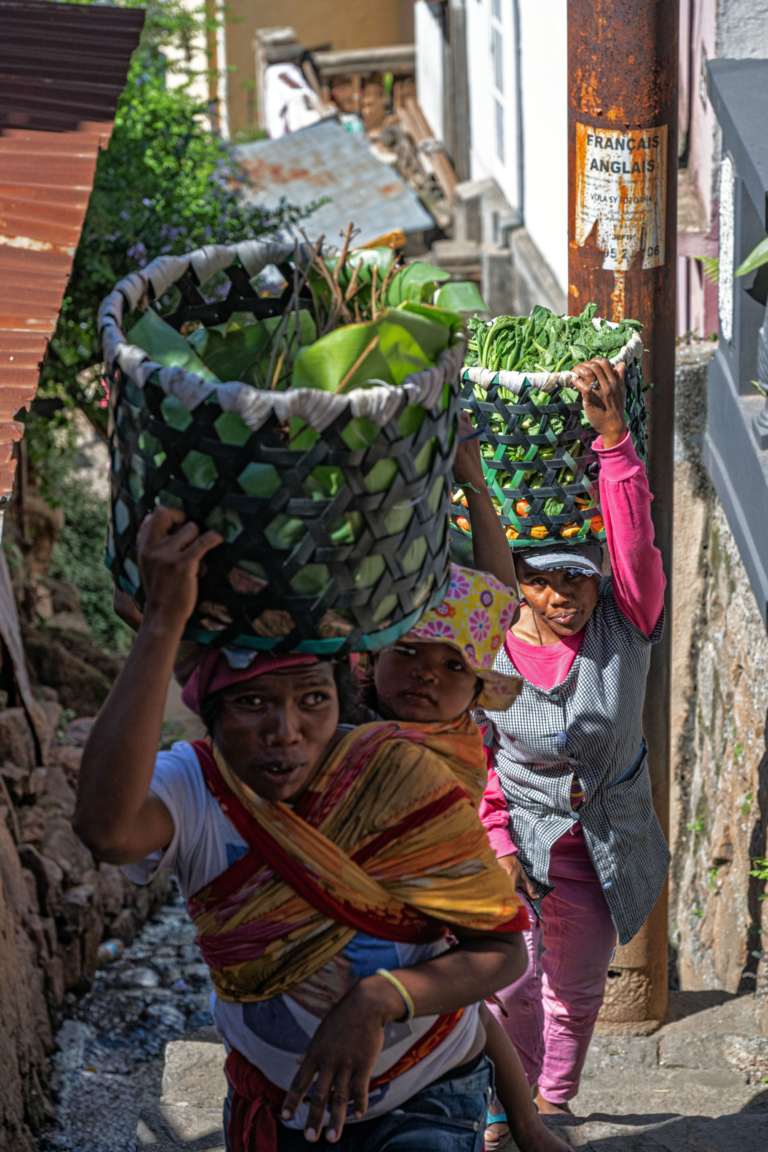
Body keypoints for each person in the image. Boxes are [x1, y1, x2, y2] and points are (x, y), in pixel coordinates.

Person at [74, 507, 531, 1151]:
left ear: (342, 697)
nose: (286, 731)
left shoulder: (402, 772)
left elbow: (502, 949)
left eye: (313, 700)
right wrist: (159, 625)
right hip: (278, 1108)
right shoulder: (199, 785)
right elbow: (105, 831)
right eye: (251, 703)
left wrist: (378, 999)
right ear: (211, 716)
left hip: (427, 1093)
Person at [453, 356, 670, 1129]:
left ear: (596, 578)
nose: (561, 597)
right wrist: (494, 842)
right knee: (509, 983)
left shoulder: (625, 619)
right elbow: (475, 753)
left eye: (576, 580)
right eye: (541, 580)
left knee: (574, 990)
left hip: (605, 845)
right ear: (516, 576)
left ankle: (549, 1106)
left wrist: (614, 441)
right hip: (515, 834)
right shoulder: (490, 641)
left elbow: (636, 546)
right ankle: (498, 1106)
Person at [361, 565, 572, 1152]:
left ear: (476, 695)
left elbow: (496, 589)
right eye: (408, 652)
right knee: (471, 1006)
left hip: (430, 981)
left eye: (455, 665)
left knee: (474, 1003)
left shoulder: (448, 752)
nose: (428, 672)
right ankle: (523, 1120)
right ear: (368, 662)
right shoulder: (339, 731)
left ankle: (523, 1119)